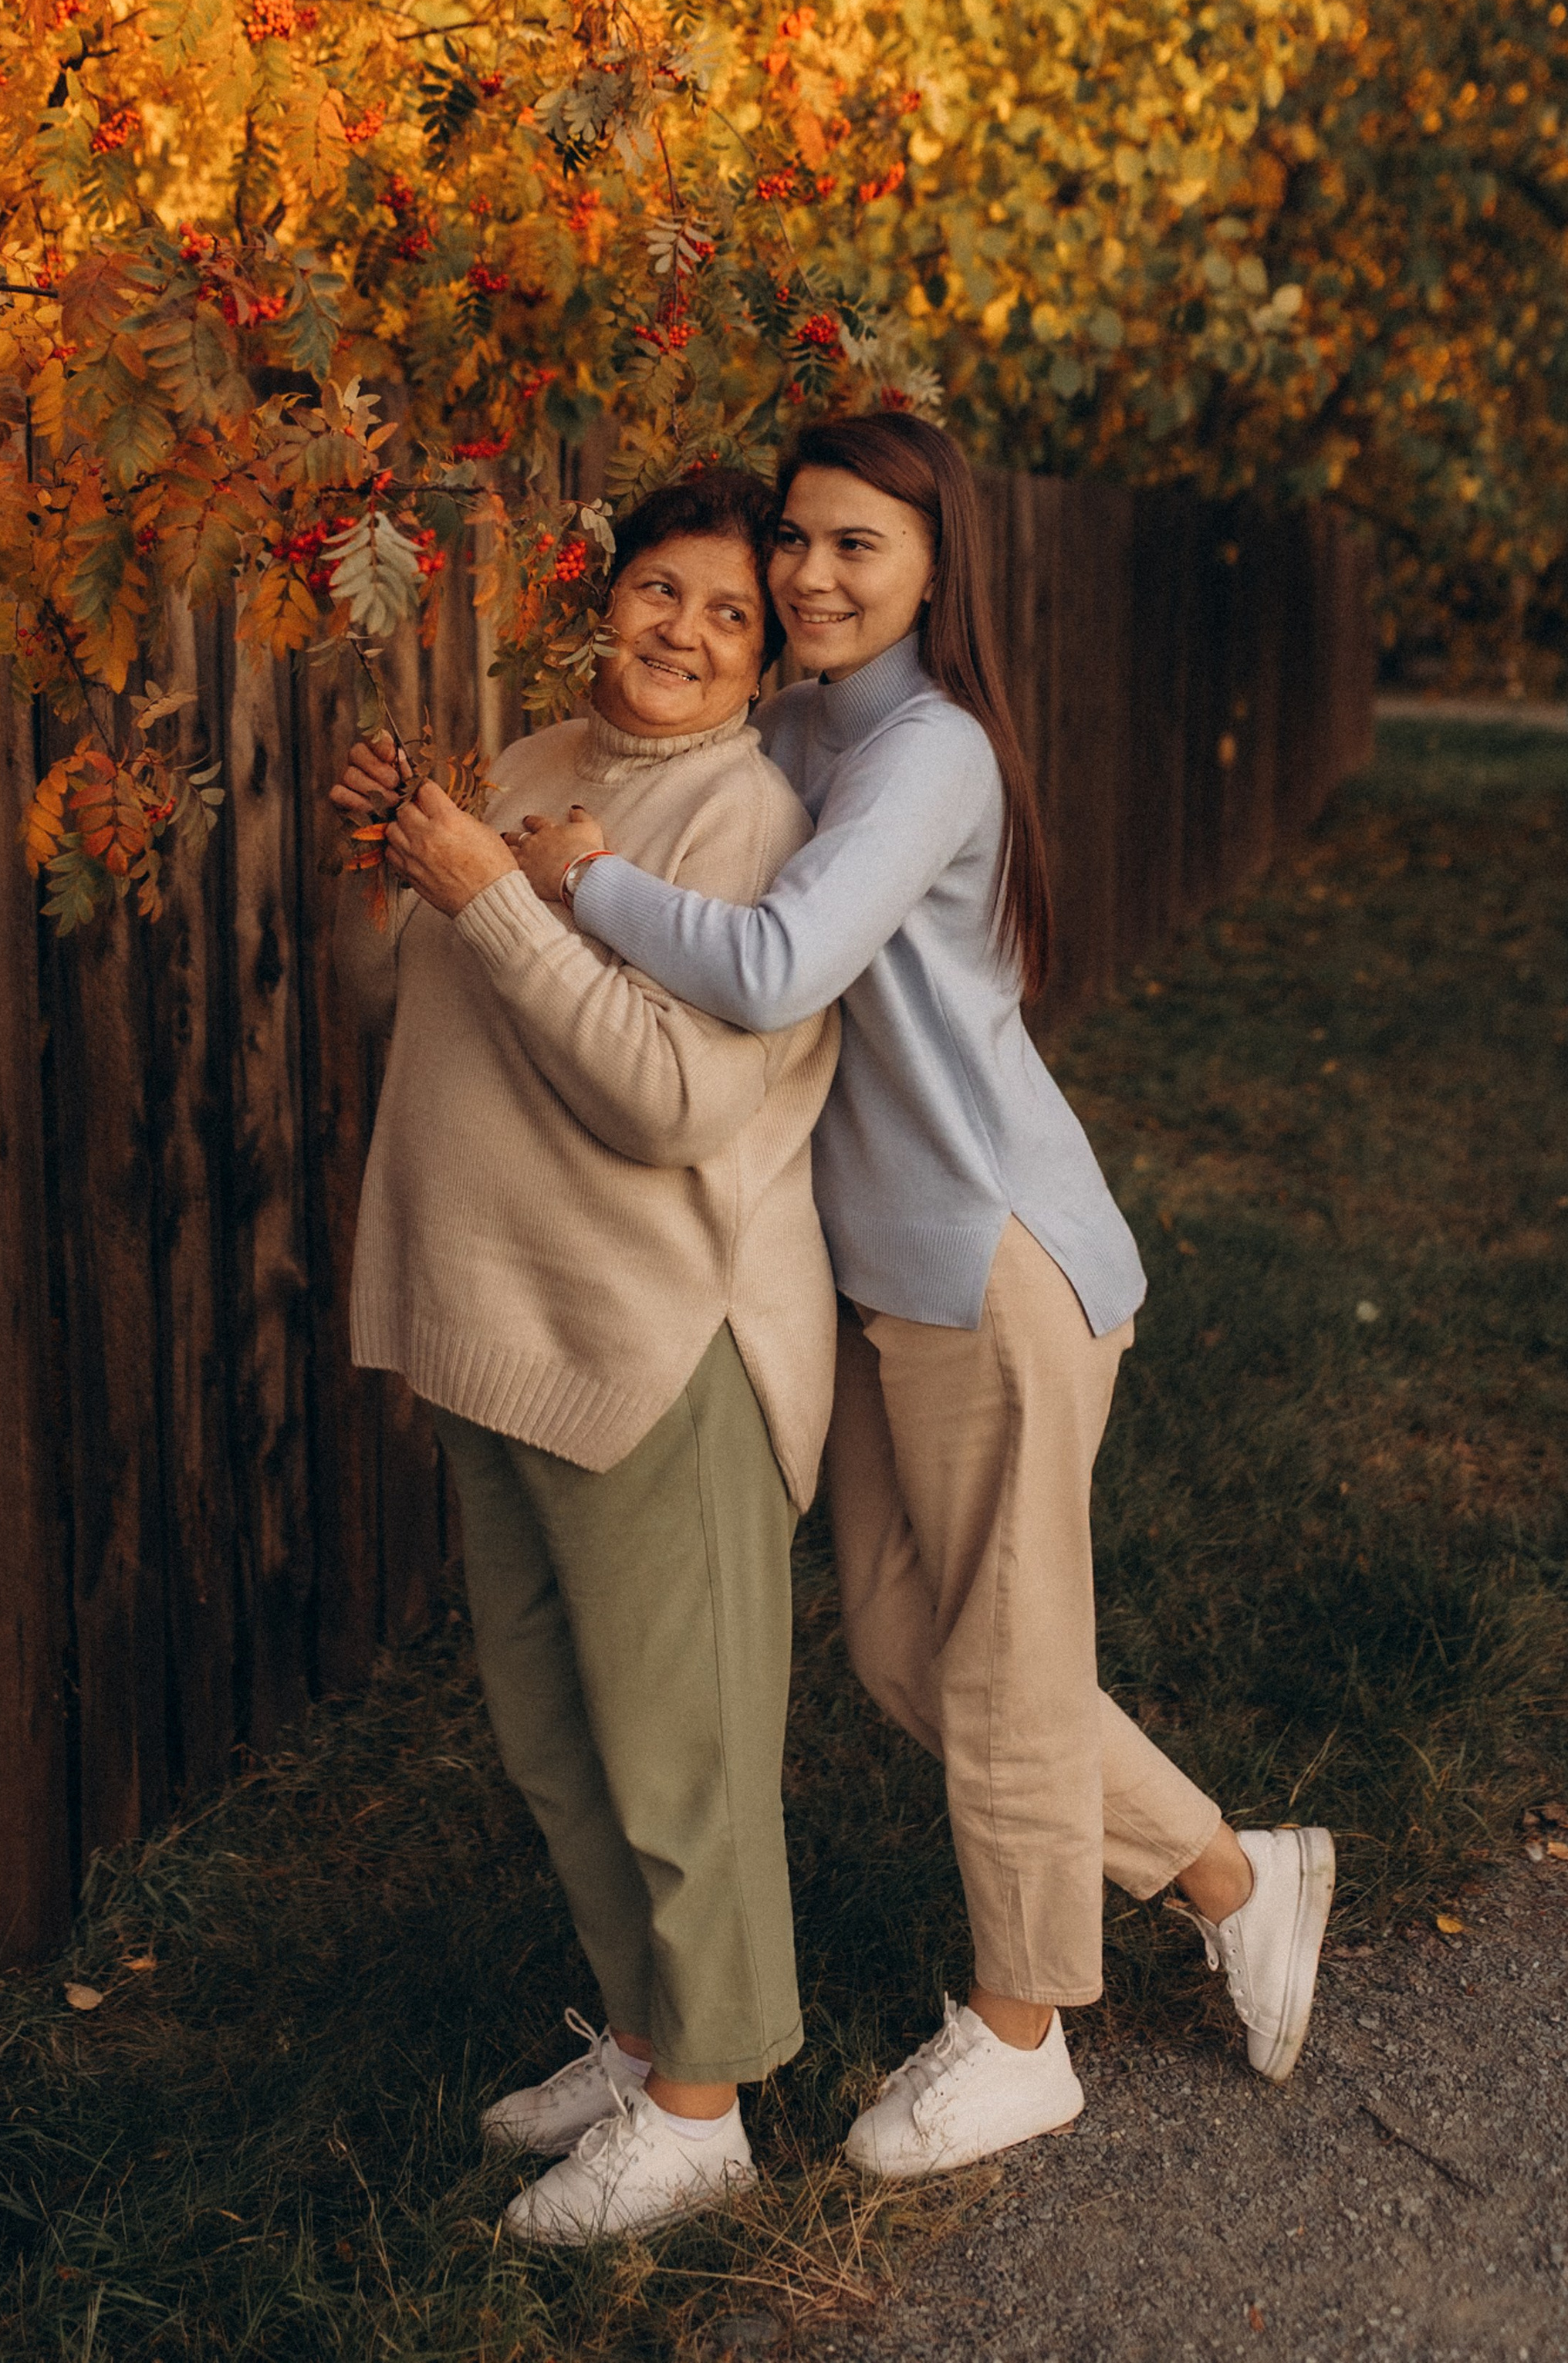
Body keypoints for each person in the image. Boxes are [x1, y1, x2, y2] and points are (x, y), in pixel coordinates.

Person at [503, 414, 1337, 2182]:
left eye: (853, 548)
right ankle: (1232, 1874)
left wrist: (580, 874)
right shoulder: (797, 718)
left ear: (933, 568)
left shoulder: (927, 751)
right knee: (903, 1648)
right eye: (792, 542)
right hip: (873, 1275)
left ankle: (1023, 2032)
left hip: (989, 1261)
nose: (806, 576)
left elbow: (776, 959)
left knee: (1010, 1668)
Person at [331, 472, 840, 2243]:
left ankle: (704, 2118)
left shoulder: (750, 822)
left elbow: (670, 1098)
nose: (683, 632)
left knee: (678, 1754)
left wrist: (482, 891)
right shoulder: (537, 761)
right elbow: (444, 1010)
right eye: (658, 591)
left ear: (766, 661)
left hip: (656, 1340)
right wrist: (396, 871)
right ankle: (643, 2043)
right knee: (560, 1741)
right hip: (502, 1321)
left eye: (728, 615)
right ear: (602, 596)